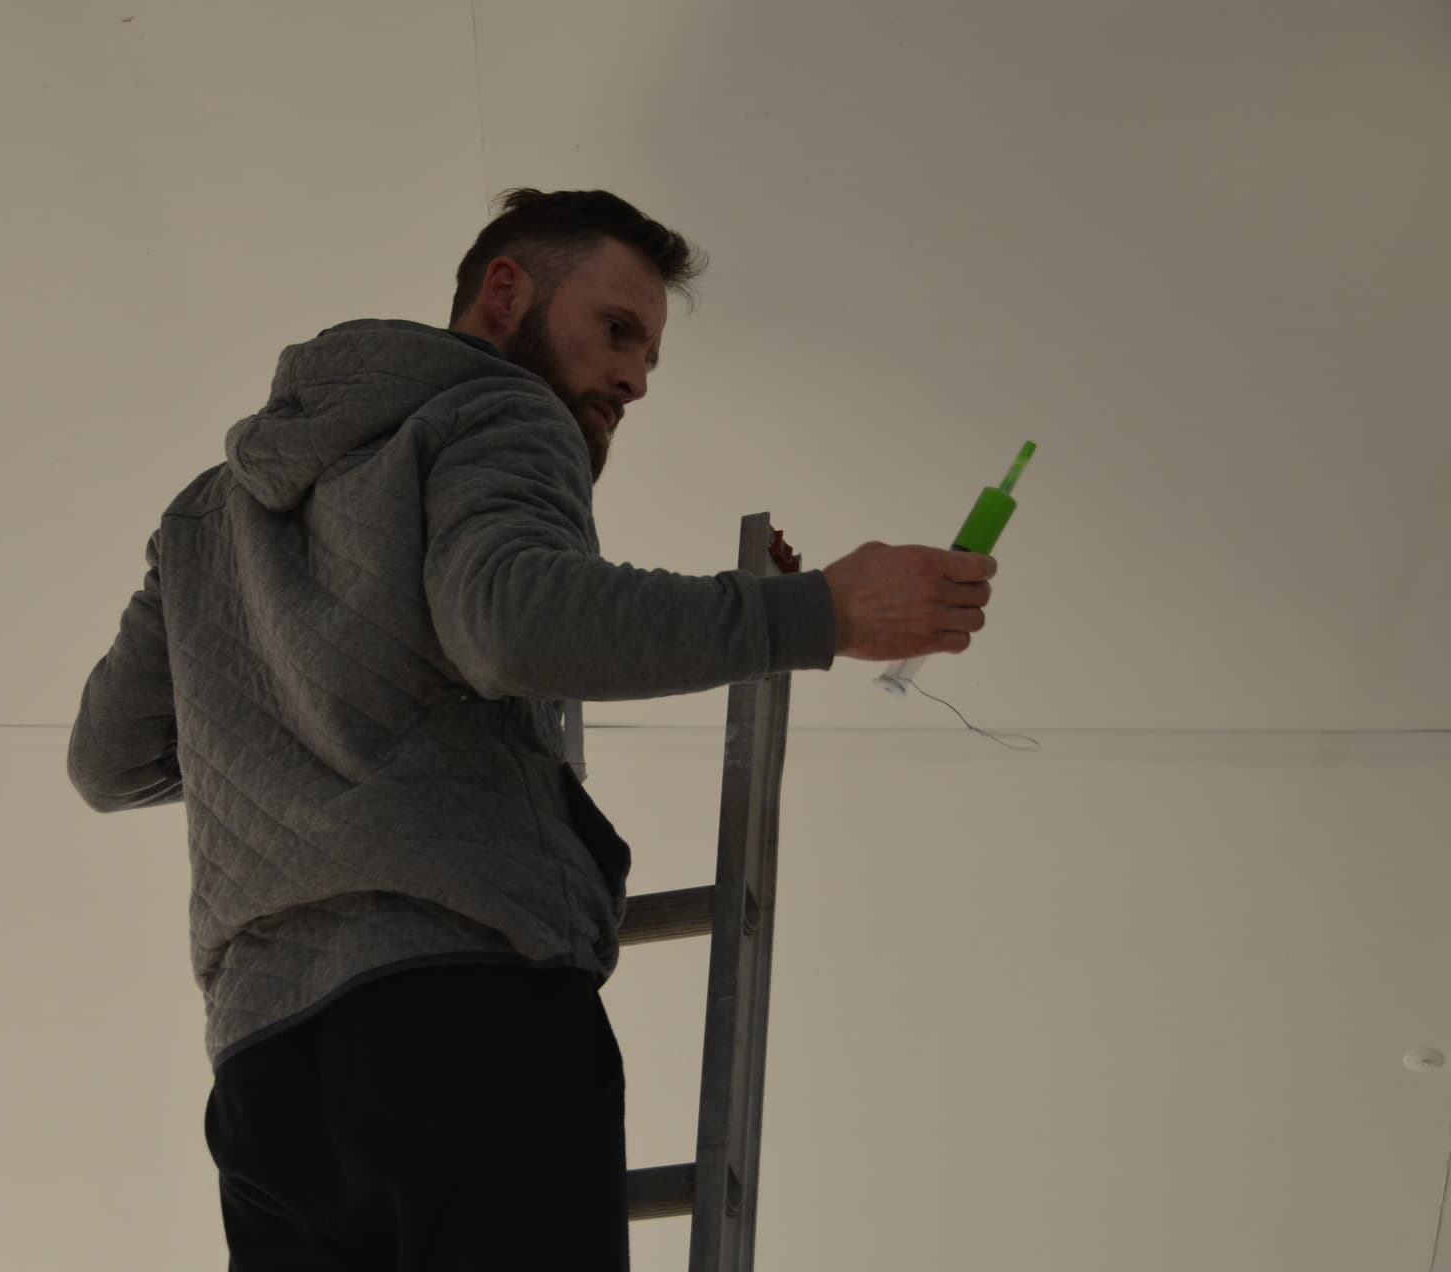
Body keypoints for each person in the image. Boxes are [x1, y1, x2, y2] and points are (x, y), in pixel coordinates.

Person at [66, 188, 994, 1270]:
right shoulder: (496, 409)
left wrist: (304, 721)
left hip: (266, 1083)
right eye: (618, 329)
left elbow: (109, 758)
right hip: (463, 1014)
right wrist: (817, 611)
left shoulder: (208, 513)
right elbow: (510, 624)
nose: (635, 379)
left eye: (648, 357)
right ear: (505, 293)